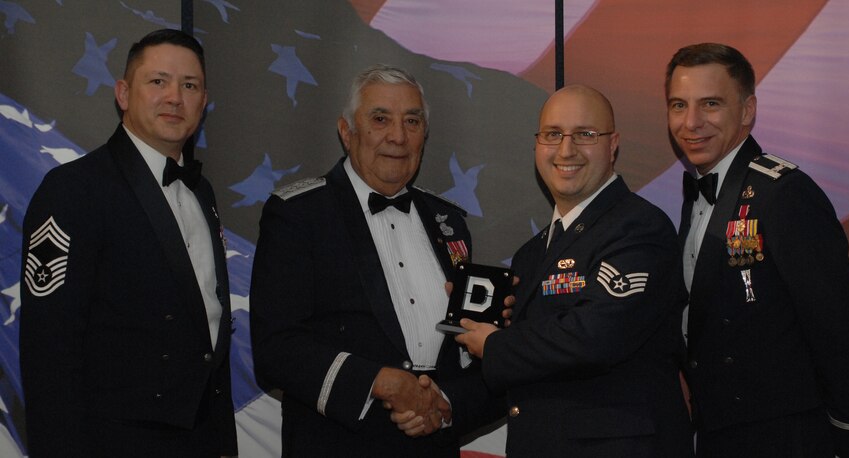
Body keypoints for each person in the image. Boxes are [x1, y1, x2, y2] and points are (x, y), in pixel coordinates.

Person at [249, 64, 499, 457]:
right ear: (346, 132)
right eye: (380, 118)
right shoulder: (299, 215)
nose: (397, 136)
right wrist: (378, 381)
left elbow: (473, 357)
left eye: (412, 121)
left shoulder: (449, 222)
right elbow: (276, 349)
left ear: (424, 135)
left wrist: (444, 404)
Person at [19, 29, 237, 456]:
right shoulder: (73, 190)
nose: (175, 97)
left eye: (189, 85)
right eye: (158, 81)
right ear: (123, 93)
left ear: (203, 101)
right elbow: (49, 353)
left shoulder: (202, 192)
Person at [456, 85, 693, 457]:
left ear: (613, 144)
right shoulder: (530, 255)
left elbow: (596, 337)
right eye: (553, 134)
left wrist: (495, 344)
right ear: (537, 145)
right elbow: (526, 372)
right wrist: (439, 405)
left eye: (585, 134)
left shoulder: (639, 228)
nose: (566, 150)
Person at [666, 42, 849, 458]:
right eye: (677, 105)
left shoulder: (784, 195)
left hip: (787, 439)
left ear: (746, 111)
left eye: (710, 104)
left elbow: (843, 330)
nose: (691, 122)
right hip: (720, 434)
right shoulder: (698, 193)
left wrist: (845, 437)